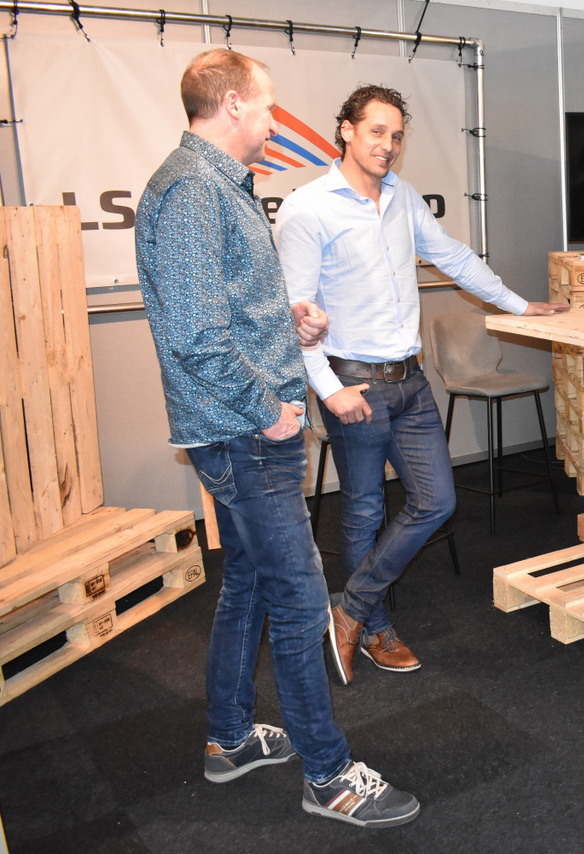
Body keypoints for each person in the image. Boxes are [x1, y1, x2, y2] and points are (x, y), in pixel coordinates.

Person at [135, 49, 418, 826]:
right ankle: (329, 776)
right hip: (245, 432)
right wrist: (268, 408)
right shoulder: (193, 189)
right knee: (298, 598)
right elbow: (195, 337)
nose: (272, 119)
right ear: (232, 105)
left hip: (241, 426)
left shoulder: (216, 185)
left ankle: (229, 739)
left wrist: (282, 320)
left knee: (249, 583)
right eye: (265, 106)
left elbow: (218, 310)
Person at [277, 85, 568, 687]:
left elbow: (454, 258)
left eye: (396, 135)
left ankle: (350, 608)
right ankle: (375, 627)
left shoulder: (403, 197)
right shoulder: (308, 208)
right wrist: (328, 389)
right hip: (353, 384)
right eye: (376, 131)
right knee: (362, 510)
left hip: (409, 382)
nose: (387, 145)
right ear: (346, 130)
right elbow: (294, 311)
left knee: (437, 501)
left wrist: (518, 306)